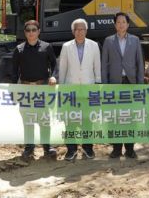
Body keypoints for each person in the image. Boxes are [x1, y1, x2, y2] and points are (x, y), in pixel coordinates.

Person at [12, 19, 58, 160]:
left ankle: (47, 147)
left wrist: (53, 77)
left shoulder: (47, 47)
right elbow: (14, 72)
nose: (31, 32)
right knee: (28, 120)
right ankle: (29, 148)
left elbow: (55, 66)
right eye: (28, 30)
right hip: (25, 90)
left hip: (42, 89)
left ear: (38, 31)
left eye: (34, 29)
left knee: (44, 119)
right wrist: (14, 89)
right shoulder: (19, 49)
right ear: (25, 33)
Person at [102, 12, 144, 159]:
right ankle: (116, 149)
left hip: (130, 83)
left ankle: (130, 148)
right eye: (118, 22)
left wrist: (140, 85)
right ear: (115, 25)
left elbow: (140, 63)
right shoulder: (108, 41)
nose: (121, 24)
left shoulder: (135, 40)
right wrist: (105, 85)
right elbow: (104, 65)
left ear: (128, 24)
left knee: (130, 117)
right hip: (114, 84)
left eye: (123, 22)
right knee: (115, 117)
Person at [58, 18, 101, 161]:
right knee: (71, 121)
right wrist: (62, 89)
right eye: (77, 29)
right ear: (73, 31)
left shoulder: (94, 45)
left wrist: (98, 87)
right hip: (71, 89)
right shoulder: (66, 46)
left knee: (88, 120)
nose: (80, 31)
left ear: (86, 31)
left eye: (82, 29)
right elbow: (62, 69)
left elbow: (97, 68)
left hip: (89, 88)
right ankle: (71, 150)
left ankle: (88, 149)